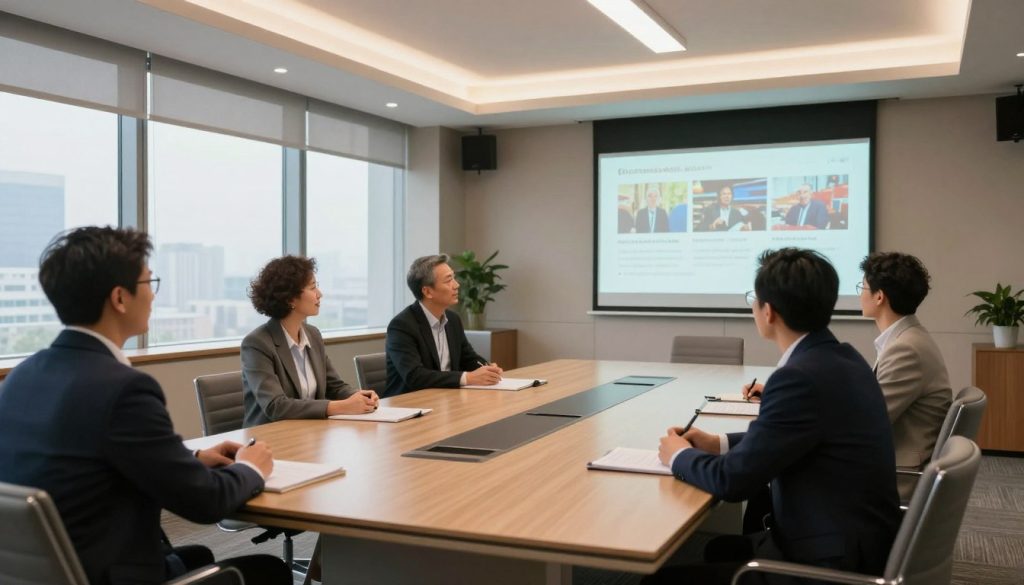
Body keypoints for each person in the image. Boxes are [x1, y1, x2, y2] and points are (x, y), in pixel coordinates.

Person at [0, 227, 290, 585]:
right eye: (149, 282)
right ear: (120, 298)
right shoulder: (123, 388)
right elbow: (206, 503)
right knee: (270, 572)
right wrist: (252, 469)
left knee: (198, 555)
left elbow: (85, 460)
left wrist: (192, 460)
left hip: (59, 569)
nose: (153, 296)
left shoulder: (21, 377)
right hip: (110, 572)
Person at [648, 248, 899, 585]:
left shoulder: (799, 378)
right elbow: (789, 436)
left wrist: (679, 455)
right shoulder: (844, 357)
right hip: (859, 538)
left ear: (768, 312)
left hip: (830, 563)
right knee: (719, 549)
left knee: (659, 580)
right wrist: (716, 442)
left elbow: (732, 482)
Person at [241, 255, 378, 427]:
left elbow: (333, 386)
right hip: (270, 438)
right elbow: (276, 406)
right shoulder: (257, 343)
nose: (319, 294)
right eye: (313, 288)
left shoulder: (313, 335)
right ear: (290, 299)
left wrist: (359, 397)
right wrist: (340, 407)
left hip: (310, 433)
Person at [859, 252, 952, 499]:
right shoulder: (907, 338)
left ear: (879, 296)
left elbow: (866, 421)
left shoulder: (906, 349)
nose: (860, 294)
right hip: (894, 462)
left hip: (895, 478)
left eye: (863, 287)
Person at [384, 254, 502, 397]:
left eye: (454, 277)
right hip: (410, 404)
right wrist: (468, 378)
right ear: (427, 291)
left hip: (445, 397)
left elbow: (468, 357)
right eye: (448, 280)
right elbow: (415, 376)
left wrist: (487, 368)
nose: (456, 285)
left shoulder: (453, 320)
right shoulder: (402, 325)